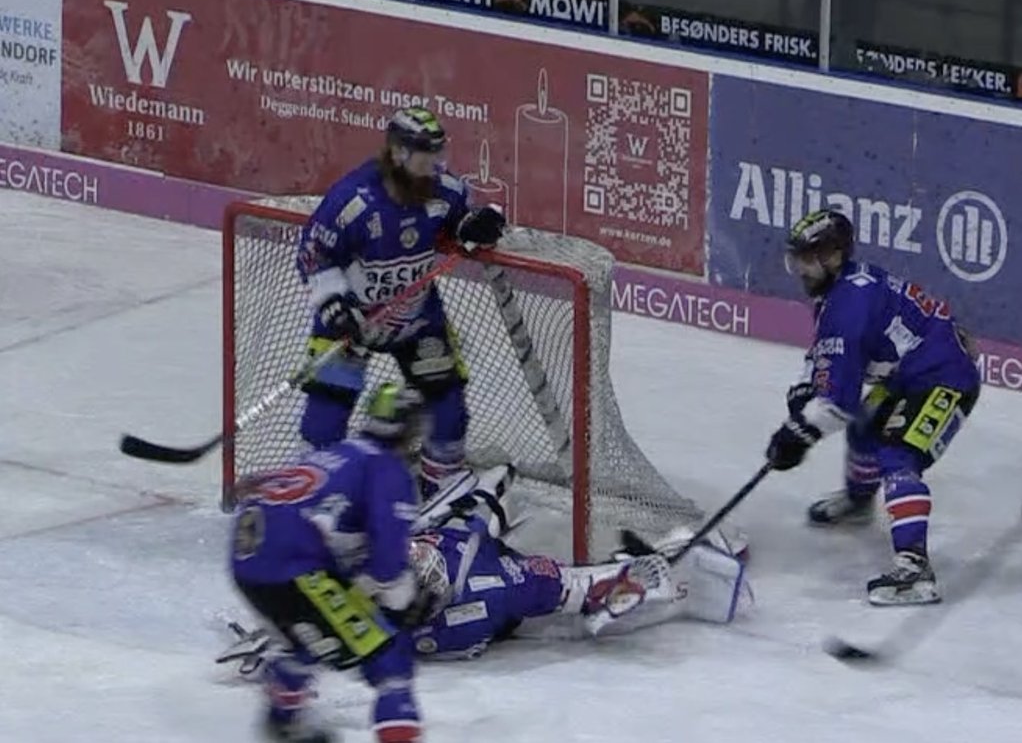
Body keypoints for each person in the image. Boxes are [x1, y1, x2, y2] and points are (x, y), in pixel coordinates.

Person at [220, 469, 751, 672]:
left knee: (489, 484)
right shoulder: (491, 591)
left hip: (461, 565)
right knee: (566, 586)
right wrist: (624, 581)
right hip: (494, 597)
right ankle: (681, 566)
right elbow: (564, 589)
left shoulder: (383, 575)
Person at [764, 208, 981, 606]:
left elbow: (838, 403)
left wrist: (797, 433)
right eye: (797, 260)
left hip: (945, 379)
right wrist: (802, 393)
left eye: (808, 259)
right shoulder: (842, 289)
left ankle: (915, 569)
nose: (801, 271)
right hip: (909, 374)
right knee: (864, 428)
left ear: (834, 256)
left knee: (899, 455)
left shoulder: (848, 306)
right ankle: (860, 502)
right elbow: (824, 355)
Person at [295, 107, 506, 502]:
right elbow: (313, 253)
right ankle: (317, 492)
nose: (435, 164)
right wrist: (334, 306)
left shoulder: (446, 191)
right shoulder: (353, 201)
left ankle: (441, 487)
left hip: (415, 319)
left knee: (449, 405)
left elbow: (461, 225)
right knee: (326, 414)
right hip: (353, 322)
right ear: (397, 153)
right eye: (426, 155)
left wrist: (480, 224)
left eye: (439, 153)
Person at [230, 382, 439, 743]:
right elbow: (389, 560)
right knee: (390, 658)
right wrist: (396, 598)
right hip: (292, 567)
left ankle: (283, 724)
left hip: (245, 564)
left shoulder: (333, 453)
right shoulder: (386, 467)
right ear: (409, 428)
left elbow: (258, 491)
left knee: (311, 638)